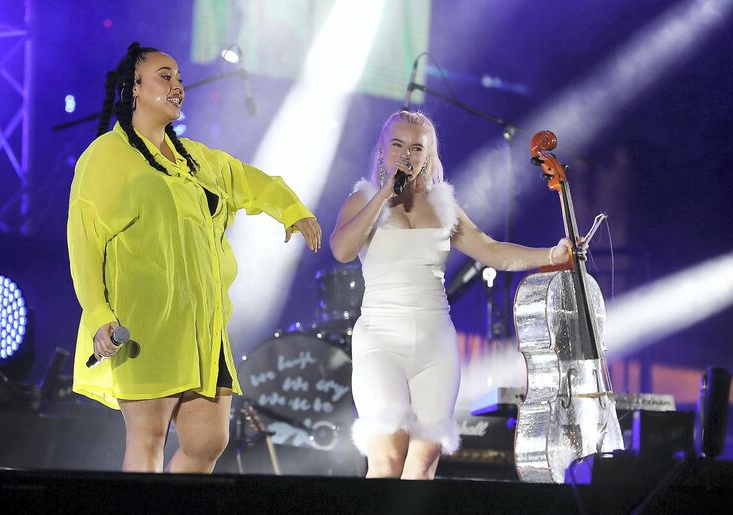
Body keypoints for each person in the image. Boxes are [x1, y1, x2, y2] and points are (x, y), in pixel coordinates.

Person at [67, 42, 322, 473]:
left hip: (203, 328)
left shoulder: (197, 158)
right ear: (134, 87)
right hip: (147, 322)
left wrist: (291, 208)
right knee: (149, 437)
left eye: (180, 78)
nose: (178, 86)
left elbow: (249, 179)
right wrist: (98, 314)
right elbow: (84, 242)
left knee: (208, 441)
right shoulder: (106, 157)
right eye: (165, 76)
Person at [329, 111, 570, 479]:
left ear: (428, 156)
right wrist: (383, 194)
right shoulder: (362, 199)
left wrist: (552, 255)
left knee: (423, 463)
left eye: (416, 147)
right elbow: (342, 250)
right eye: (397, 144)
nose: (406, 154)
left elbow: (492, 250)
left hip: (435, 344)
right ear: (382, 150)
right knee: (388, 455)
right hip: (380, 339)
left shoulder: (442, 205)